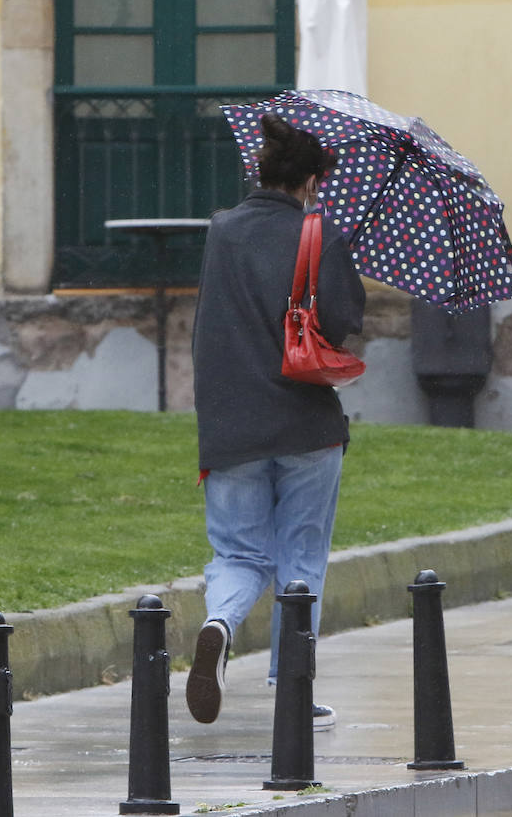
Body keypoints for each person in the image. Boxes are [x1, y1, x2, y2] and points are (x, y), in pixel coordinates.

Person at [187, 113, 366, 726]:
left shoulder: (222, 232)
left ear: (258, 171)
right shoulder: (323, 234)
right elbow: (340, 323)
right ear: (314, 179)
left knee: (238, 554)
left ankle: (219, 624)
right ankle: (293, 687)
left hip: (230, 424)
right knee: (301, 557)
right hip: (307, 424)